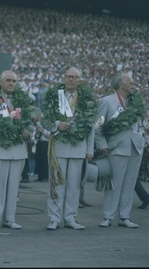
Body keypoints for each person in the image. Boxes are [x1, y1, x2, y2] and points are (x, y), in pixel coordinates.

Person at [41, 67, 96, 230]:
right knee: (57, 183)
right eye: (68, 77)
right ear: (64, 79)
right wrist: (57, 124)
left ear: (80, 80)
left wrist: (90, 150)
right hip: (59, 146)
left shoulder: (86, 99)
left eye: (74, 77)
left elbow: (91, 125)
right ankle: (54, 218)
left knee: (74, 185)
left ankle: (70, 217)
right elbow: (45, 120)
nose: (71, 80)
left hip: (79, 147)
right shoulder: (54, 96)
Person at [0, 70, 35, 230]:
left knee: (13, 188)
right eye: (8, 80)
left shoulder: (22, 100)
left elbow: (28, 123)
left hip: (17, 150)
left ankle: (10, 219)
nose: (11, 84)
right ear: (1, 82)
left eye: (14, 81)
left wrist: (26, 133)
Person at [95, 72, 148, 228]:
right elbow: (97, 127)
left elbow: (139, 125)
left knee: (129, 183)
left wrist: (141, 137)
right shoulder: (106, 102)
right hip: (116, 147)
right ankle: (108, 216)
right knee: (114, 183)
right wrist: (102, 144)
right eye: (131, 83)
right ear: (121, 85)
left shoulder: (135, 103)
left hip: (135, 147)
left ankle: (124, 216)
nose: (133, 86)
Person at [34, 113, 50, 182]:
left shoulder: (48, 126)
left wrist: (42, 132)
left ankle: (45, 176)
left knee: (45, 160)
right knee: (38, 159)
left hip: (45, 143)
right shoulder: (39, 125)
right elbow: (36, 134)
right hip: (39, 142)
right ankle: (40, 176)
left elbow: (49, 136)